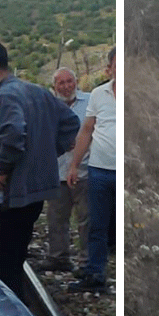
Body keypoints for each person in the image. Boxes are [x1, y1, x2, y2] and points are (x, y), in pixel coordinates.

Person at [0, 41, 80, 300]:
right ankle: (16, 306)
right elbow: (70, 123)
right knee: (16, 254)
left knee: (2, 263)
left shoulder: (4, 95)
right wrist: (44, 155)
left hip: (13, 194)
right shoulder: (37, 91)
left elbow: (14, 133)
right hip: (34, 192)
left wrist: (4, 172)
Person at [66, 49, 116, 292]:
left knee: (114, 227)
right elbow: (86, 130)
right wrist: (74, 165)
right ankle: (95, 274)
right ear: (109, 68)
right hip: (99, 170)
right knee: (97, 224)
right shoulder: (99, 94)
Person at [41, 68, 91, 273]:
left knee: (86, 218)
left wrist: (82, 144)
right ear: (54, 87)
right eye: (61, 83)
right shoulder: (47, 106)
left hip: (85, 170)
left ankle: (86, 262)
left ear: (76, 82)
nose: (66, 86)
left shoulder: (90, 101)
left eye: (70, 81)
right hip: (57, 170)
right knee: (56, 218)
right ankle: (58, 257)